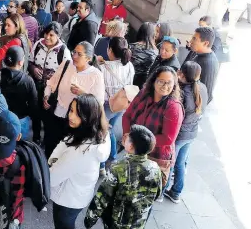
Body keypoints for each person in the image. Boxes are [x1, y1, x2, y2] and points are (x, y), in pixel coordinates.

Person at [48, 94, 110, 229]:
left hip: (66, 200)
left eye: (78, 114)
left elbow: (52, 178)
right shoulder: (100, 133)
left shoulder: (79, 152)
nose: (71, 116)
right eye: (71, 110)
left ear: (90, 117)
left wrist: (53, 162)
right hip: (80, 194)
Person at [84, 125, 162, 229]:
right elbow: (157, 193)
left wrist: (90, 219)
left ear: (131, 146)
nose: (125, 138)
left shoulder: (118, 168)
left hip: (116, 226)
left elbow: (102, 197)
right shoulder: (155, 167)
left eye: (128, 138)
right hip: (138, 223)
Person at [123, 65, 184, 188]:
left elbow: (168, 139)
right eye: (161, 81)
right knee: (129, 187)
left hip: (156, 157)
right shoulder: (143, 94)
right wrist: (126, 134)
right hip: (135, 149)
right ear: (154, 81)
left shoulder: (173, 107)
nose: (165, 86)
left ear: (174, 85)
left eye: (169, 83)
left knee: (145, 194)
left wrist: (139, 142)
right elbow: (127, 116)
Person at [43, 42, 105, 157]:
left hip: (74, 122)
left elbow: (98, 103)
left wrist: (83, 93)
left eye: (79, 54)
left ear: (88, 58)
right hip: (55, 113)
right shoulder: (67, 64)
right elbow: (52, 82)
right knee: (49, 143)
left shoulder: (96, 75)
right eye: (74, 52)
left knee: (64, 150)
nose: (74, 56)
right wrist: (46, 96)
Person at [164, 61, 208, 204]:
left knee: (170, 162)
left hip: (180, 134)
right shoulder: (202, 87)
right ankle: (176, 192)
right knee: (180, 163)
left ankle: (162, 190)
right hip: (191, 132)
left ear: (181, 74)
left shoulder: (181, 93)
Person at [29, 22, 71, 143]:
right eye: (46, 33)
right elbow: (30, 61)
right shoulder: (38, 44)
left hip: (52, 91)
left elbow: (66, 75)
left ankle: (47, 140)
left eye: (51, 35)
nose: (47, 37)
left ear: (58, 35)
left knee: (48, 116)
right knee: (35, 113)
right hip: (36, 86)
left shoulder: (64, 52)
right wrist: (33, 69)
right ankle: (36, 137)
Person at [97, 37, 135, 172]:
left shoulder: (102, 68)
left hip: (107, 106)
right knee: (110, 130)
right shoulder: (129, 66)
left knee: (101, 133)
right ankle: (112, 157)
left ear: (110, 50)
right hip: (123, 104)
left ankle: (101, 165)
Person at [1, 46, 38, 141]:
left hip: (1, 118)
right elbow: (33, 106)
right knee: (22, 148)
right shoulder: (28, 81)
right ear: (20, 62)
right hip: (21, 121)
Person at [186, 27, 219, 104]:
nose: (191, 41)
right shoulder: (197, 51)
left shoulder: (208, 65)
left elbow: (204, 96)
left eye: (194, 39)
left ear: (205, 43)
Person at [129, 22, 158, 88]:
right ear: (152, 34)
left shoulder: (131, 46)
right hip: (144, 81)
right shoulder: (155, 51)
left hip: (129, 77)